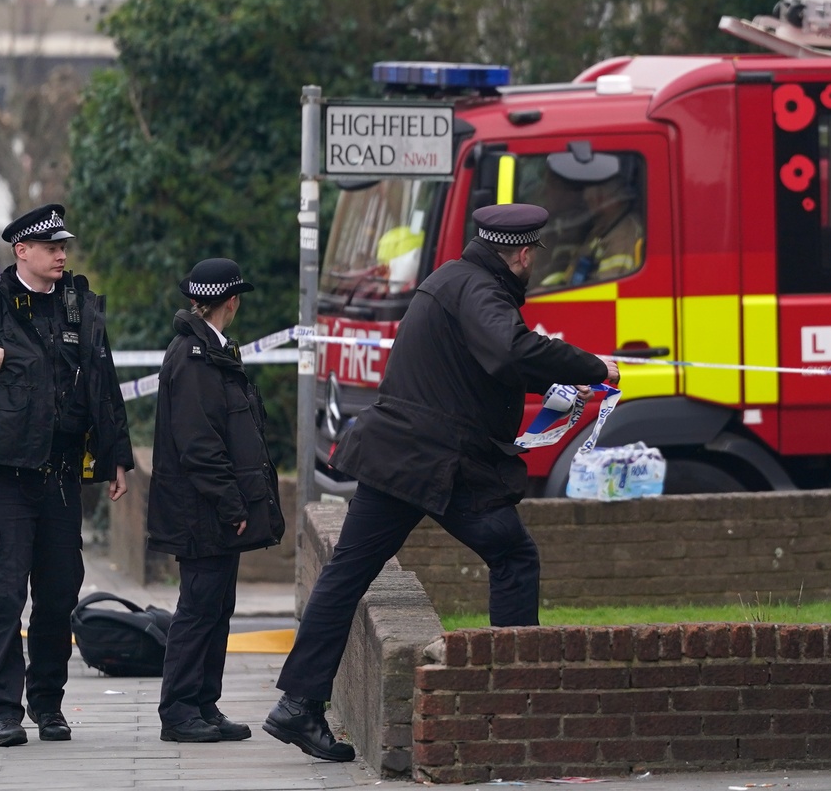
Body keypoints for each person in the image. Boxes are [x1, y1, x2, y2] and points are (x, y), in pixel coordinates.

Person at [263, 203, 620, 761]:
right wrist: (595, 368)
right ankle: (515, 702)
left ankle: (298, 705)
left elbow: (484, 368)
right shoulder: (481, 290)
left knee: (346, 574)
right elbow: (509, 350)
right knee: (513, 555)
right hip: (438, 465)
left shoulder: (449, 280)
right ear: (523, 252)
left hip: (401, 457)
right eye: (533, 254)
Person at [0, 203, 134, 748]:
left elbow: (103, 382)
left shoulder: (77, 305)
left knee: (59, 594)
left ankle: (48, 704)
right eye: (52, 247)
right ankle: (2, 711)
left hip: (59, 474)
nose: (62, 254)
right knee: (5, 593)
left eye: (65, 247)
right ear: (22, 251)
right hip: (5, 475)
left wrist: (116, 457)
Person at [146, 257, 285, 743]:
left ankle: (204, 704)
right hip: (200, 511)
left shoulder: (213, 351)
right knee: (199, 608)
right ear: (233, 300)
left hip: (211, 508)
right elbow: (199, 444)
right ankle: (180, 711)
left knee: (216, 607)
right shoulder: (194, 357)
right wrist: (232, 504)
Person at [539, 174, 644, 288]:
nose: (589, 205)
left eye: (594, 200)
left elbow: (605, 289)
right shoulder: (603, 227)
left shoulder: (623, 238)